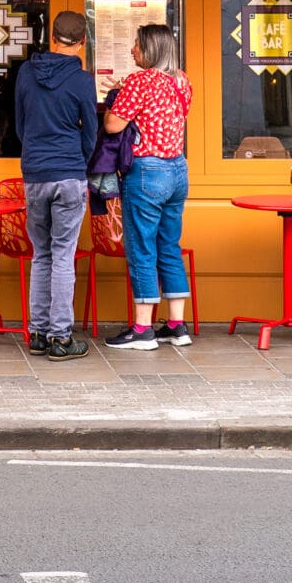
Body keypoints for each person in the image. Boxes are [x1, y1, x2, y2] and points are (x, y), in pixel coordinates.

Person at [98, 25, 195, 350]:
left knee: (141, 248)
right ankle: (177, 326)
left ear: (151, 49)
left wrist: (115, 98)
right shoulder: (182, 80)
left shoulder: (140, 81)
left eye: (137, 45)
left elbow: (113, 125)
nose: (132, 50)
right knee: (169, 246)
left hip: (147, 172)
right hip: (177, 169)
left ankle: (142, 329)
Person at [12, 10, 97, 360]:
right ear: (82, 42)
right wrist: (78, 161)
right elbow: (90, 132)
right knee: (63, 255)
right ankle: (61, 338)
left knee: (41, 254)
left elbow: (20, 125)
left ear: (51, 37)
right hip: (68, 173)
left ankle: (38, 334)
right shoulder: (82, 80)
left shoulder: (26, 73)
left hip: (35, 173)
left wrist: (36, 154)